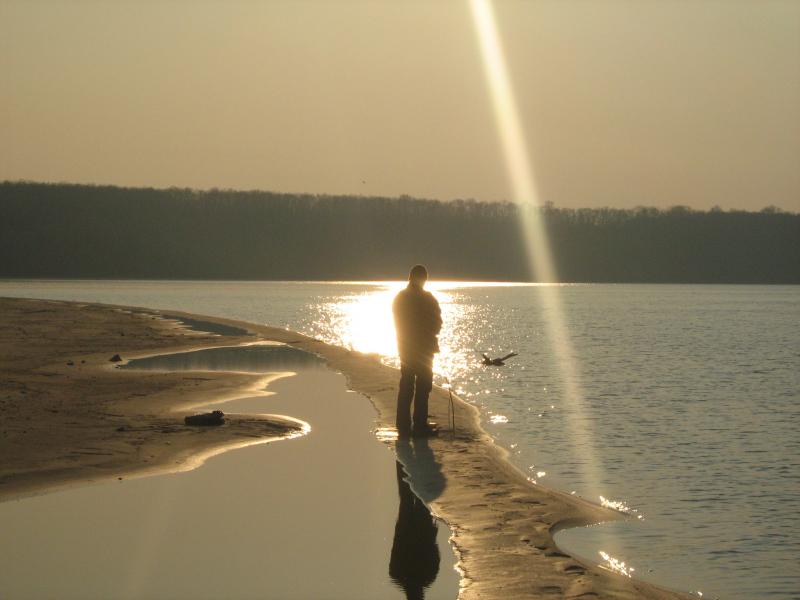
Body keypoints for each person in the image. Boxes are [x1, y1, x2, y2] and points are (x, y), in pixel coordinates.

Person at [393, 264, 442, 438]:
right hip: (421, 350)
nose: (423, 281)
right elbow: (437, 323)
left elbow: (436, 322)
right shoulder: (427, 298)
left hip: (408, 349)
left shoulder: (400, 297)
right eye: (422, 278)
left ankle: (404, 424)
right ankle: (418, 424)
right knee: (421, 386)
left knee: (409, 385)